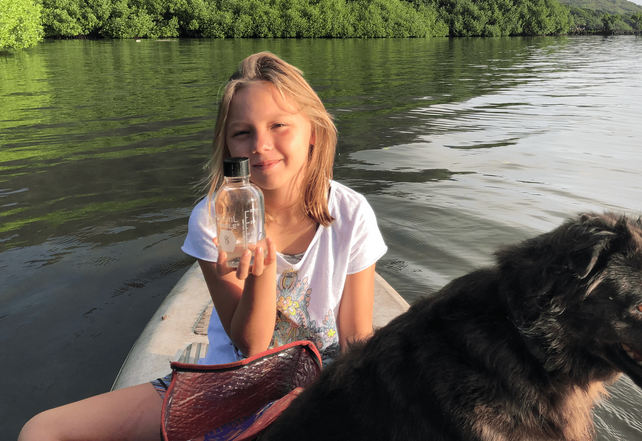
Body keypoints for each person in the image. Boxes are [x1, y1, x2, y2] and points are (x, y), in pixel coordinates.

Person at [19, 51, 388, 441]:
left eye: (279, 125)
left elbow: (354, 338)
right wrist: (261, 275)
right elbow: (250, 345)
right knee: (43, 430)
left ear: (312, 131)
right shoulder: (214, 218)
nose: (261, 145)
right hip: (227, 384)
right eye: (242, 132)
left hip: (316, 384)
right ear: (228, 146)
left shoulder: (350, 213)